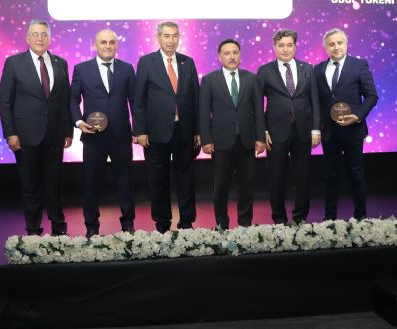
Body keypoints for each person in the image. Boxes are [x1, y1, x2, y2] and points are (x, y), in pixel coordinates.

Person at [0, 20, 73, 236]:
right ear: (28, 38)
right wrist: (10, 133)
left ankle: (59, 228)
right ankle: (33, 230)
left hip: (55, 134)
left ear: (49, 38)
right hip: (25, 135)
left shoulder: (61, 63)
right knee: (31, 186)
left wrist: (68, 131)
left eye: (44, 34)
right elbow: (5, 101)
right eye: (35, 34)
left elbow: (65, 100)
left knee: (54, 184)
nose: (40, 38)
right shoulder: (14, 63)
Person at [132, 21, 200, 233]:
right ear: (158, 38)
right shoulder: (146, 62)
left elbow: (196, 99)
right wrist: (140, 131)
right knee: (158, 180)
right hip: (156, 133)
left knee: (186, 179)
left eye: (175, 36)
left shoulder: (188, 62)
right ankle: (162, 224)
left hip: (184, 131)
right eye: (167, 36)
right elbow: (138, 100)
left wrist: (198, 131)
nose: (171, 40)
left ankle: (187, 222)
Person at [70, 29, 136, 237]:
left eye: (111, 42)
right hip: (93, 136)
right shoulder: (82, 69)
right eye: (103, 42)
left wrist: (139, 130)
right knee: (91, 182)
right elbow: (73, 99)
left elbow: (134, 101)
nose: (108, 46)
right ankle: (91, 226)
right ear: (95, 45)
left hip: (121, 135)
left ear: (116, 45)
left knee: (125, 181)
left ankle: (128, 224)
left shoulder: (127, 69)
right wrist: (78, 122)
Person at [199, 39, 266, 230]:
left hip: (246, 140)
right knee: (221, 187)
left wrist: (260, 138)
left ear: (240, 55)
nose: (232, 56)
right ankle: (222, 225)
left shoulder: (252, 79)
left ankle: (245, 225)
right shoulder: (210, 80)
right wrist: (206, 139)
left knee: (247, 185)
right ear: (220, 57)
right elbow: (203, 112)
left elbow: (258, 111)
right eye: (227, 53)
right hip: (220, 142)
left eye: (235, 52)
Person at [256, 29, 321, 225]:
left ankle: (301, 218)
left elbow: (315, 100)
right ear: (274, 47)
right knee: (276, 178)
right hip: (275, 132)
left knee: (303, 177)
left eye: (289, 45)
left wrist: (316, 128)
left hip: (303, 131)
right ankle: (279, 219)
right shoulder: (265, 71)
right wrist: (262, 131)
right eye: (281, 45)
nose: (285, 49)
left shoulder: (307, 68)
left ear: (295, 46)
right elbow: (257, 104)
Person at [314, 28, 378, 221]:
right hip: (329, 132)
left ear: (346, 44)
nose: (336, 47)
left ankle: (361, 218)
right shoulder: (318, 69)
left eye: (339, 43)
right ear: (326, 48)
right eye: (331, 44)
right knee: (330, 176)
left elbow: (372, 96)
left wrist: (357, 116)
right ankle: (329, 220)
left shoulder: (359, 65)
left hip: (353, 130)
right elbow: (316, 101)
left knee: (356, 175)